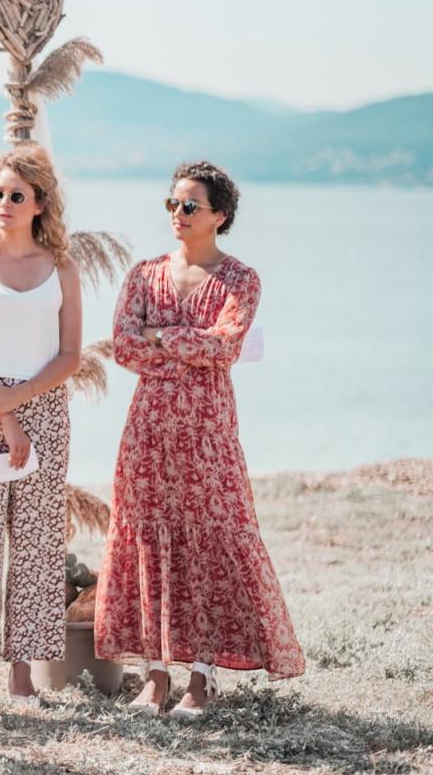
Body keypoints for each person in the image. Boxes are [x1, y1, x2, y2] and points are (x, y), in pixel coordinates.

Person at [96, 160, 304, 719]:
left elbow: (225, 347)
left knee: (209, 542)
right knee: (147, 540)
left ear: (220, 215)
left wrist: (162, 337)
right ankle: (155, 672)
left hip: (209, 431)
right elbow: (123, 347)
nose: (177, 215)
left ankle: (202, 675)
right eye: (172, 204)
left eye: (190, 206)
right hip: (146, 432)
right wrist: (184, 346)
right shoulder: (143, 274)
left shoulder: (241, 279)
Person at [0, 144, 82, 707]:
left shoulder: (63, 267)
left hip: (46, 408)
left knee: (35, 543)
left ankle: (22, 671)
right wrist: (6, 418)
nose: (3, 203)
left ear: (39, 204)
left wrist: (23, 405)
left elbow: (71, 353)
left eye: (16, 196)